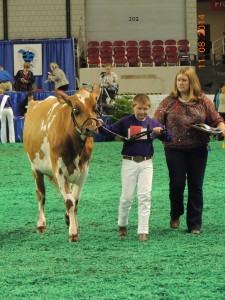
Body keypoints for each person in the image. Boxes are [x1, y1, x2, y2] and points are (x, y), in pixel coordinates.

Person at [153, 66, 225, 234]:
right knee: (177, 184)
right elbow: (156, 121)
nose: (180, 83)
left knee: (196, 185)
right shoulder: (168, 101)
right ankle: (175, 214)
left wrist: (222, 128)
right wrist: (156, 129)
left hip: (198, 149)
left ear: (192, 82)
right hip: (173, 149)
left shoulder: (203, 101)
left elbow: (217, 119)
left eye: (184, 80)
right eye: (178, 80)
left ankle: (194, 224)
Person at [98, 93, 173, 242]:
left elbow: (169, 137)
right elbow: (110, 131)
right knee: (127, 197)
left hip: (146, 164)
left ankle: (143, 231)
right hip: (129, 163)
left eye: (145, 109)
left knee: (145, 196)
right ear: (133, 107)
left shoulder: (153, 123)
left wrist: (162, 132)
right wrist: (100, 125)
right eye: (139, 108)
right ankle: (122, 225)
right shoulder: (125, 122)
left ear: (149, 108)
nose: (142, 112)